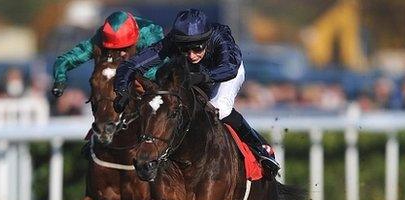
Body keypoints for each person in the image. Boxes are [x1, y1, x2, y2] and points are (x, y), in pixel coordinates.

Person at [113, 9, 280, 176]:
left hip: (226, 74)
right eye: (185, 49)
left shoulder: (220, 37)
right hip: (192, 75)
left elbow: (229, 67)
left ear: (206, 40)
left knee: (220, 108)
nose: (192, 55)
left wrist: (201, 77)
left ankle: (261, 149)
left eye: (197, 48)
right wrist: (121, 89)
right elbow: (131, 65)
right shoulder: (172, 41)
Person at [51, 11, 164, 97]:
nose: (121, 53)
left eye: (125, 48)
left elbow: (161, 67)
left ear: (135, 40)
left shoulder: (150, 34)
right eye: (113, 50)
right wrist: (60, 79)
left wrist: (134, 76)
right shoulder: (101, 37)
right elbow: (66, 60)